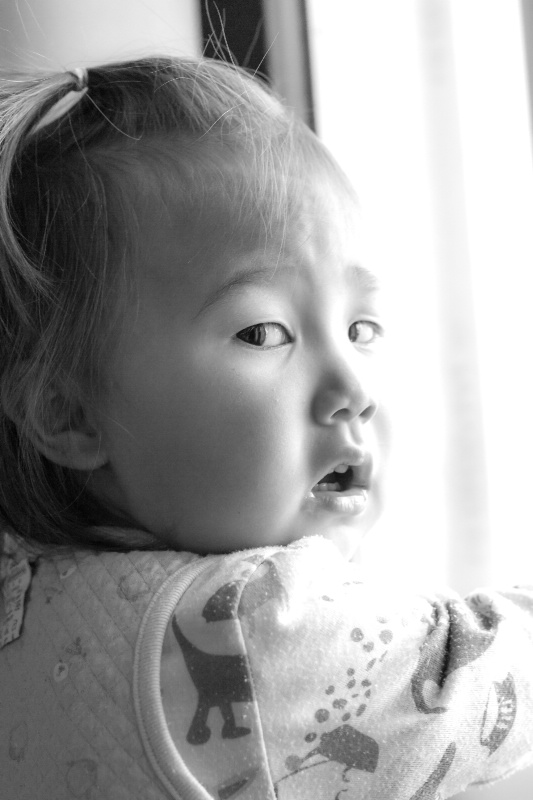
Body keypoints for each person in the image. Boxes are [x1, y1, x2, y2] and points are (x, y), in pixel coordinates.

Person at [0, 55, 531, 800]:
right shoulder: (249, 629)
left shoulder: (28, 598)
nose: (351, 389)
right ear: (69, 412)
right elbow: (470, 677)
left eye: (362, 327)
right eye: (263, 333)